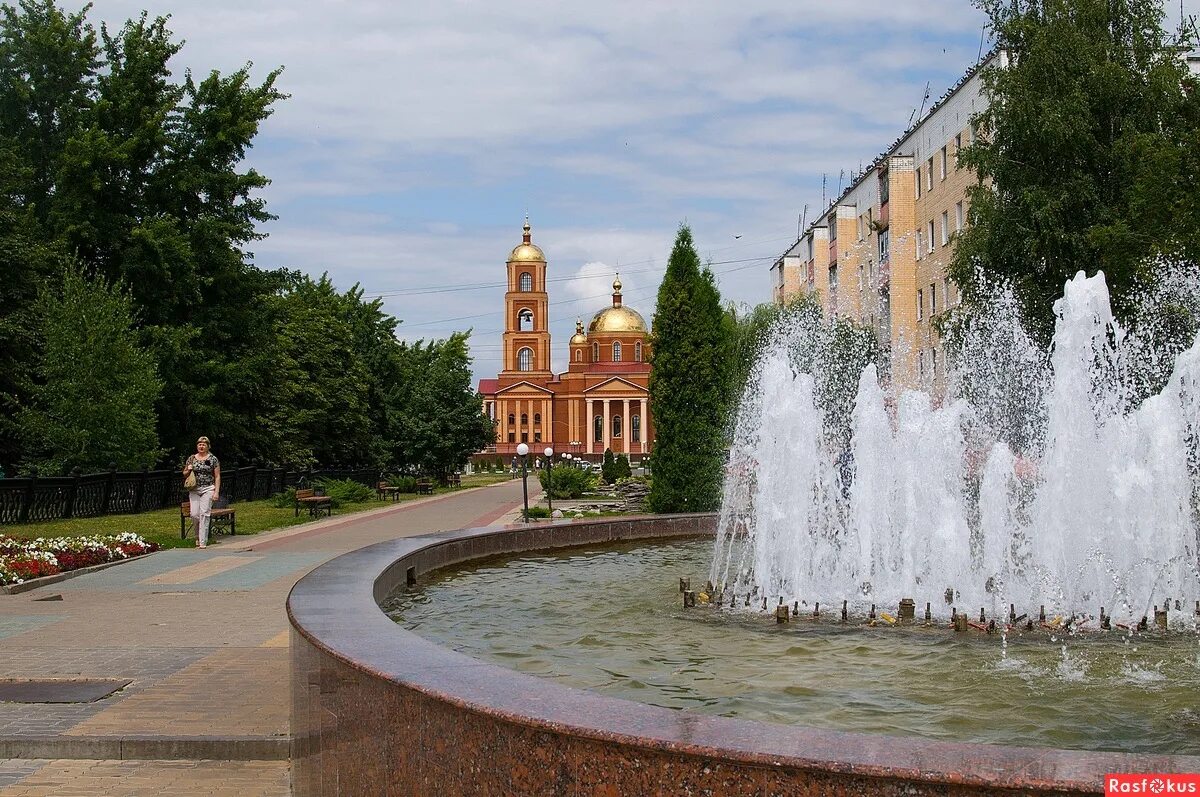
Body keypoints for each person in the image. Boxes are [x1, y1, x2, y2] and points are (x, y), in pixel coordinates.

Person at [183, 436, 221, 549]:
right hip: (194, 489)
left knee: (204, 513)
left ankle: (203, 542)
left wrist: (216, 492)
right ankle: (197, 537)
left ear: (208, 446)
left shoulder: (213, 459)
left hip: (208, 488)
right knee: (194, 514)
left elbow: (217, 476)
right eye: (199, 444)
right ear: (197, 446)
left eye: (204, 444)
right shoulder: (191, 459)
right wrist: (189, 469)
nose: (201, 446)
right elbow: (184, 473)